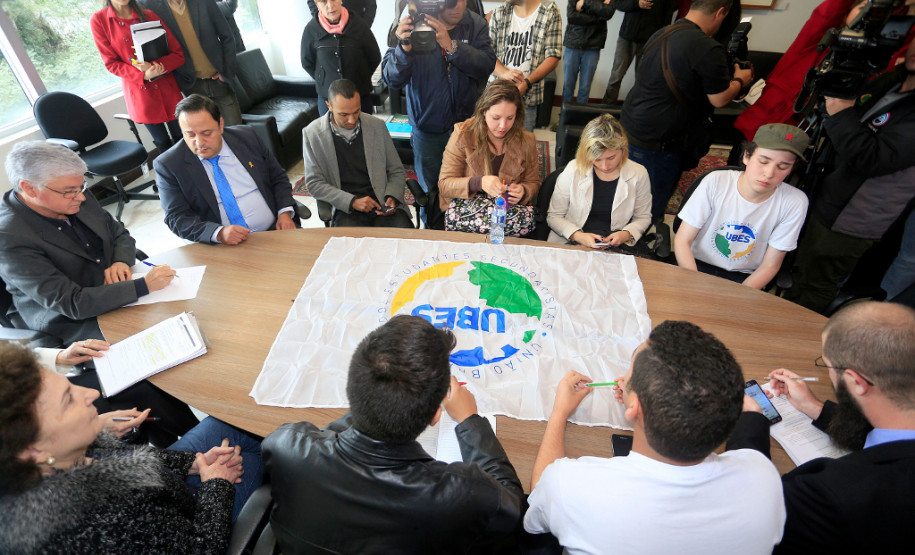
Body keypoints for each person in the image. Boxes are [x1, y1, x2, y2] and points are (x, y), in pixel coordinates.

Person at [262, 315, 523, 553]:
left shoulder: (285, 444)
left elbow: (332, 437)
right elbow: (513, 506)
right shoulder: (460, 493)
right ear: (436, 415)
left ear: (351, 388)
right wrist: (470, 420)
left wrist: (376, 401)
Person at [524, 320, 785, 554]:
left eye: (630, 371)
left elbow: (538, 499)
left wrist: (559, 414)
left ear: (634, 408)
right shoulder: (765, 479)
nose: (624, 378)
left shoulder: (571, 485)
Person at [0, 344, 263, 553]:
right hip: (199, 521)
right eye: (68, 400)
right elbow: (202, 548)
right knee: (275, 447)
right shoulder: (100, 520)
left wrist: (192, 464)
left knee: (236, 423)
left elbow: (127, 460)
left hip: (169, 486)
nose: (91, 394)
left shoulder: (54, 459)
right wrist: (216, 484)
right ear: (33, 451)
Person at [728, 301, 915, 553]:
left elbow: (753, 510)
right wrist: (815, 407)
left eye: (827, 365)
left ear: (856, 382)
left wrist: (749, 420)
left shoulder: (835, 493)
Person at [784, 41, 915, 313]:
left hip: (854, 216)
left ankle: (796, 331)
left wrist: (841, 112)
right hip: (828, 191)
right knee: (799, 268)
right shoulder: (894, 79)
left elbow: (872, 158)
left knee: (817, 282)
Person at [621, 0, 753, 224]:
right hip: (660, 141)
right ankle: (636, 238)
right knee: (648, 208)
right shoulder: (707, 47)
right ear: (721, 12)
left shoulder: (662, 32)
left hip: (633, 125)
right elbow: (720, 98)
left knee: (627, 195)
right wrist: (741, 80)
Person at [383, 0, 496, 229]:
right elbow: (391, 78)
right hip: (428, 129)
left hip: (467, 127)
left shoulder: (474, 24)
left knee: (469, 187)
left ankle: (464, 233)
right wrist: (403, 48)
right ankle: (432, 234)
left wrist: (452, 46)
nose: (457, 6)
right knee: (431, 194)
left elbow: (486, 65)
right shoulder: (411, 22)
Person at [674, 123, 809, 289]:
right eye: (763, 161)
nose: (769, 174)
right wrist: (692, 286)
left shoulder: (795, 202)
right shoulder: (715, 181)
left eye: (782, 167)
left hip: (745, 278)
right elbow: (682, 240)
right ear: (746, 156)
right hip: (694, 265)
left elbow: (770, 265)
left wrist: (739, 296)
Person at [154, 94, 298, 245]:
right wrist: (218, 233)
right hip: (221, 246)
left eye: (206, 133)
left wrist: (284, 212)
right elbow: (176, 218)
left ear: (220, 125)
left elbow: (277, 177)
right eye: (190, 135)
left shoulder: (247, 137)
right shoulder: (169, 165)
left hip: (275, 230)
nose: (199, 142)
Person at [303, 79, 414, 228]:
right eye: (343, 114)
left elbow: (396, 170)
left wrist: (391, 197)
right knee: (350, 242)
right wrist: (352, 202)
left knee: (405, 239)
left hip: (381, 201)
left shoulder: (377, 126)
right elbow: (314, 183)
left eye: (356, 111)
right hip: (346, 208)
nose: (352, 120)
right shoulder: (312, 134)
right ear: (329, 106)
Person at [90, 0, 185, 155]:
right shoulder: (99, 20)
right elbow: (111, 63)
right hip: (141, 93)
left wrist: (153, 66)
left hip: (167, 89)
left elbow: (178, 55)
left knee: (183, 137)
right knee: (163, 145)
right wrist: (143, 75)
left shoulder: (149, 15)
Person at [547, 113, 652, 248]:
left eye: (611, 157)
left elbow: (643, 217)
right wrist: (578, 236)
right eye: (597, 159)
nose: (605, 166)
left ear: (623, 148)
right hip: (572, 241)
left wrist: (626, 234)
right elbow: (554, 216)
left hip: (616, 245)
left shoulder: (639, 173)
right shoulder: (573, 170)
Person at [438, 79, 540, 217]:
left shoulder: (527, 140)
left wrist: (524, 190)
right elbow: (444, 185)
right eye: (496, 118)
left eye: (510, 118)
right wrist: (478, 183)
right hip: (467, 216)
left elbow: (533, 182)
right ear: (483, 112)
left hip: (506, 216)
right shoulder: (463, 134)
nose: (503, 126)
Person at [142, 0, 243, 126]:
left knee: (236, 130)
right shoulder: (150, 6)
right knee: (205, 132)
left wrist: (226, 71)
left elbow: (227, 36)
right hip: (190, 85)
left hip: (218, 79)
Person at [488, 0, 562, 132]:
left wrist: (526, 83)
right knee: (492, 141)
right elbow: (487, 53)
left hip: (528, 98)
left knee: (523, 142)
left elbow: (553, 56)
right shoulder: (500, 12)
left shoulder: (550, 11)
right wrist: (505, 73)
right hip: (496, 95)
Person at [301, 0, 381, 116]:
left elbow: (374, 57)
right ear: (317, 4)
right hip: (327, 96)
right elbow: (307, 62)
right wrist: (323, 78)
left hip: (360, 94)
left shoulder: (359, 25)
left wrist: (360, 75)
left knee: (364, 126)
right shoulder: (311, 29)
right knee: (328, 128)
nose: (330, 5)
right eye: (323, 1)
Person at [601, 0, 676, 105]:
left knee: (642, 80)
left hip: (650, 41)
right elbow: (619, 3)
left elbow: (667, 19)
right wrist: (637, 4)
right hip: (627, 37)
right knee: (616, 76)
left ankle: (637, 110)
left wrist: (659, 41)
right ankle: (605, 109)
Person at [562, 0, 615, 104]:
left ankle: (580, 114)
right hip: (573, 43)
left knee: (585, 88)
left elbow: (608, 13)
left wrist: (585, 2)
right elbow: (572, 16)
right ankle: (564, 114)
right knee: (568, 86)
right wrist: (598, 16)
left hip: (593, 45)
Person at [308, 0, 376, 27]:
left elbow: (371, 5)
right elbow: (312, 2)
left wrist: (365, 26)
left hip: (356, 25)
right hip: (328, 29)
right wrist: (319, 22)